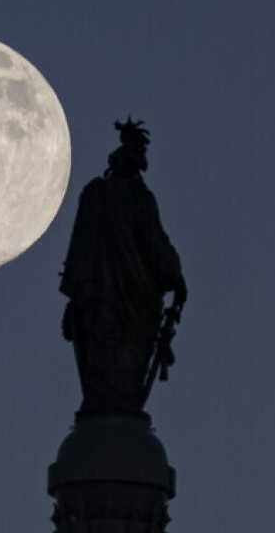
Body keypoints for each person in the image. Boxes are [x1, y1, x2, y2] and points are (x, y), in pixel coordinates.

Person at [59, 118, 188, 418]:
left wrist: (174, 273)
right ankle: (111, 403)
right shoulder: (113, 197)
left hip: (120, 297)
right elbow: (155, 246)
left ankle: (116, 403)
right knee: (109, 353)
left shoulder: (110, 196)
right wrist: (176, 275)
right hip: (111, 297)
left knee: (115, 353)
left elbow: (153, 243)